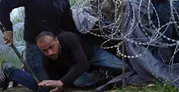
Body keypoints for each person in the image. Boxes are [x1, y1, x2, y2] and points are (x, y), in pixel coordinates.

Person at [0, 0, 76, 82]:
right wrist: (8, 29)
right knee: (42, 86)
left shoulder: (63, 0)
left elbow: (67, 26)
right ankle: (9, 71)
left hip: (54, 48)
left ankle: (27, 71)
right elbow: (3, 5)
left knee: (62, 82)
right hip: (35, 48)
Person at [0, 31, 128, 91]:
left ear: (57, 40)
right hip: (75, 68)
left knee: (123, 68)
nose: (50, 52)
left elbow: (82, 63)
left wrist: (61, 82)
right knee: (78, 82)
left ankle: (10, 71)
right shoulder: (46, 60)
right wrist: (60, 86)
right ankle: (10, 71)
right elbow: (56, 79)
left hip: (91, 54)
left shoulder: (68, 38)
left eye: (51, 47)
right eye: (45, 51)